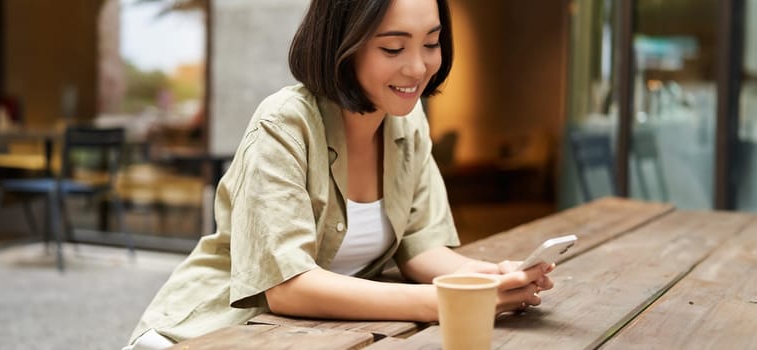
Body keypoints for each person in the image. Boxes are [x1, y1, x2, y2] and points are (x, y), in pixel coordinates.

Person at [125, 0, 555, 348]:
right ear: (342, 45)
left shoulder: (408, 122)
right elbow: (288, 287)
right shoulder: (284, 124)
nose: (418, 67)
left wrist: (489, 279)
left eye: (432, 43)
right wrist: (442, 302)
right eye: (393, 48)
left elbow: (420, 247)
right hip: (205, 333)